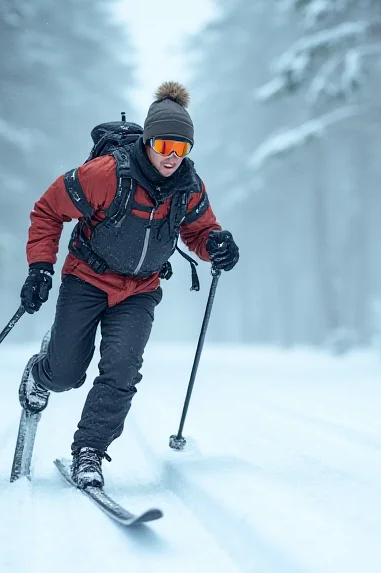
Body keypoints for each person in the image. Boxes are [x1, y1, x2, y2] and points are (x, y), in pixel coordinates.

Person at [17, 81, 239, 489]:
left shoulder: (188, 188)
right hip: (86, 278)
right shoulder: (105, 175)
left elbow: (200, 232)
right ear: (148, 142)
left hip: (139, 290)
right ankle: (40, 374)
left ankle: (89, 452)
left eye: (181, 149)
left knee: (122, 368)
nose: (172, 158)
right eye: (164, 147)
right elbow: (48, 210)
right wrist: (40, 268)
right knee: (66, 374)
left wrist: (217, 246)